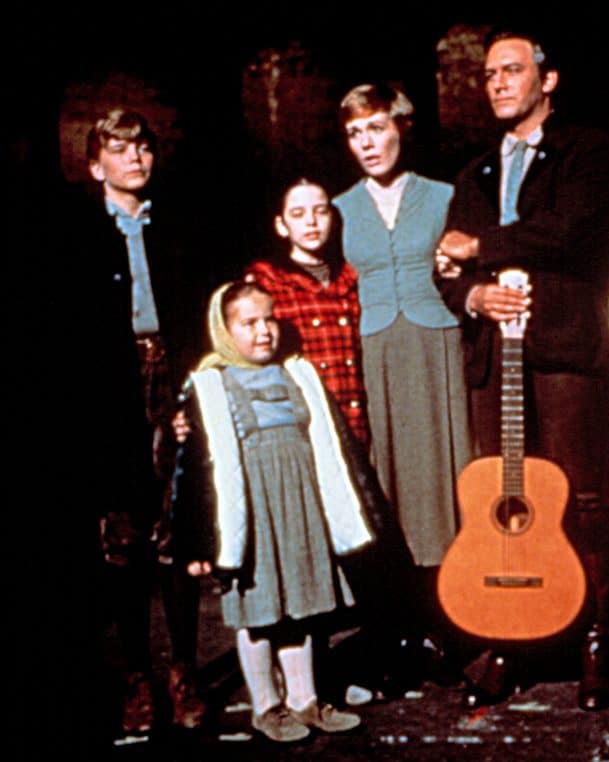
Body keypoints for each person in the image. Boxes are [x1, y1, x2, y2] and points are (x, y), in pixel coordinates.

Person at [435, 30, 609, 710]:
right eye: (489, 74)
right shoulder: (475, 173)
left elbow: (572, 231)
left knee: (581, 497)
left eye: (512, 70)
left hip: (566, 349)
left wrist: (480, 246)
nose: (497, 83)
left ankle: (599, 637)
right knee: (506, 497)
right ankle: (509, 635)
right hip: (497, 357)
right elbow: (447, 265)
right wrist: (474, 296)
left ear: (547, 80)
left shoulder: (588, 153)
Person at [172, 281, 381, 742]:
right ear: (224, 329)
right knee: (259, 609)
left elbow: (330, 442)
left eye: (269, 319)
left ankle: (305, 699)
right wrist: (197, 542)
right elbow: (193, 472)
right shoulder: (210, 385)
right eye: (248, 323)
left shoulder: (297, 373)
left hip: (300, 504)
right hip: (253, 512)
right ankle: (266, 706)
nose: (263, 331)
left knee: (302, 604)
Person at [71, 108, 209, 734]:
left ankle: (183, 670)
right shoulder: (78, 234)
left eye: (143, 147)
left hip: (171, 375)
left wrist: (188, 392)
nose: (135, 158)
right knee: (122, 538)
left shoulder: (177, 227)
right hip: (109, 388)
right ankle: (135, 675)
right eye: (120, 149)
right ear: (96, 164)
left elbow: (198, 310)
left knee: (176, 531)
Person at [334, 83, 471, 578]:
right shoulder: (339, 209)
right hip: (373, 350)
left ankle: (460, 575)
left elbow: (472, 267)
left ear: (402, 128)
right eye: (356, 133)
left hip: (438, 345)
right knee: (388, 466)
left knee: (447, 462)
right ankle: (402, 586)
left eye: (376, 128)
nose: (367, 143)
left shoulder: (445, 196)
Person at [245, 180, 368, 444]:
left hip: (355, 422)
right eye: (298, 214)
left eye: (320, 211)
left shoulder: (351, 278)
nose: (311, 222)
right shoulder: (267, 283)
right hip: (306, 426)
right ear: (281, 225)